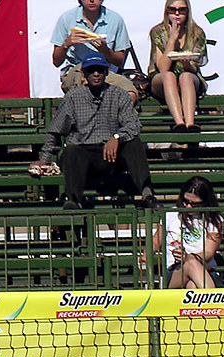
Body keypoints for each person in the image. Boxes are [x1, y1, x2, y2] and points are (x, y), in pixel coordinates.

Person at [30, 54, 161, 210]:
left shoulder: (119, 95)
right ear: (84, 74)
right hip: (85, 154)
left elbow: (134, 125)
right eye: (91, 70)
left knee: (134, 142)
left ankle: (148, 194)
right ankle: (74, 199)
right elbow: (56, 131)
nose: (96, 74)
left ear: (106, 72)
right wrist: (45, 158)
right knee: (71, 149)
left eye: (99, 70)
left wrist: (117, 137)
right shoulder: (73, 97)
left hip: (113, 155)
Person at [50, 0, 138, 103]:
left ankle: (114, 117)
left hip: (105, 72)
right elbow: (56, 61)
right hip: (77, 70)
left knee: (130, 95)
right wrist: (67, 44)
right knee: (89, 84)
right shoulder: (67, 19)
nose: (92, 0)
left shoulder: (115, 19)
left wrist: (106, 51)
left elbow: (119, 61)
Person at [152, 175, 222, 289]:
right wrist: (145, 256)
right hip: (176, 271)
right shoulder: (171, 215)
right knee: (191, 264)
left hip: (205, 270)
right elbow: (156, 241)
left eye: (194, 203)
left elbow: (208, 253)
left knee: (192, 285)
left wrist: (188, 257)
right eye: (185, 201)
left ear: (205, 202)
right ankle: (214, 300)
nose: (188, 206)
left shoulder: (214, 220)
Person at [148, 0, 208, 132]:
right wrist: (172, 40)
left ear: (188, 11)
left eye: (182, 10)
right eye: (172, 9)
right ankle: (179, 123)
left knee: (186, 77)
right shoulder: (158, 32)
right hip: (161, 81)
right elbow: (162, 68)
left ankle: (190, 124)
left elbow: (194, 67)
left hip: (188, 78)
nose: (177, 13)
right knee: (169, 76)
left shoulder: (197, 33)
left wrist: (186, 63)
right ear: (166, 11)